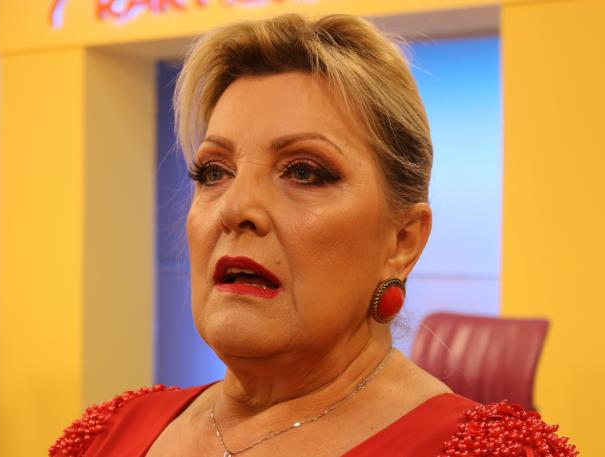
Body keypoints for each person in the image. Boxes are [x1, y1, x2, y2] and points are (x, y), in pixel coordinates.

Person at [50, 14, 578, 457]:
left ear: (402, 242)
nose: (235, 208)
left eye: (303, 171)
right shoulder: (105, 436)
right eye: (214, 172)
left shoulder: (489, 451)